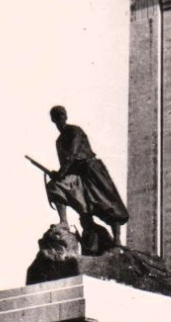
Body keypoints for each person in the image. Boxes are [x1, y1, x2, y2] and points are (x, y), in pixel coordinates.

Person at [46, 106, 129, 247]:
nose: (59, 119)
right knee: (54, 187)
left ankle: (117, 240)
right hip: (76, 176)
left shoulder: (74, 131)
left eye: (61, 115)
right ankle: (64, 222)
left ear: (65, 116)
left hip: (92, 171)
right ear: (53, 120)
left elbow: (72, 155)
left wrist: (61, 173)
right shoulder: (59, 141)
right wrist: (59, 174)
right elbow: (66, 162)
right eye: (56, 116)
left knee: (107, 203)